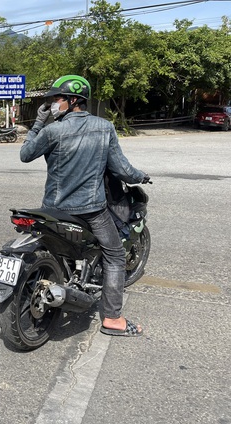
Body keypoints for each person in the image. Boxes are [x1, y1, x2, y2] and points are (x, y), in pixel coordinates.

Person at [19, 75, 149, 337]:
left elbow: (25, 154)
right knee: (115, 255)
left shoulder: (51, 131)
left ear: (73, 100)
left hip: (53, 209)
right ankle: (112, 319)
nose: (53, 104)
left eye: (57, 99)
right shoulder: (104, 127)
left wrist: (38, 123)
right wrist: (140, 176)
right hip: (91, 209)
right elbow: (122, 169)